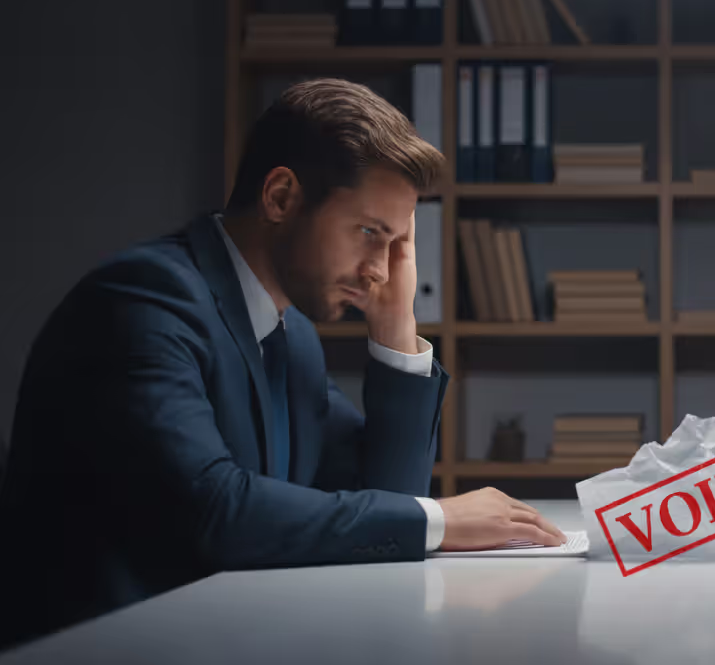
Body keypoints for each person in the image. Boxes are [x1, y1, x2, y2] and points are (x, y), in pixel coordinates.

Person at [0, 78, 564, 648]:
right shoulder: (145, 301)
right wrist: (437, 522)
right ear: (280, 198)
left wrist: (397, 330)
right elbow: (215, 512)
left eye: (394, 245)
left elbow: (386, 497)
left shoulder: (290, 336)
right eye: (369, 233)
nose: (380, 269)